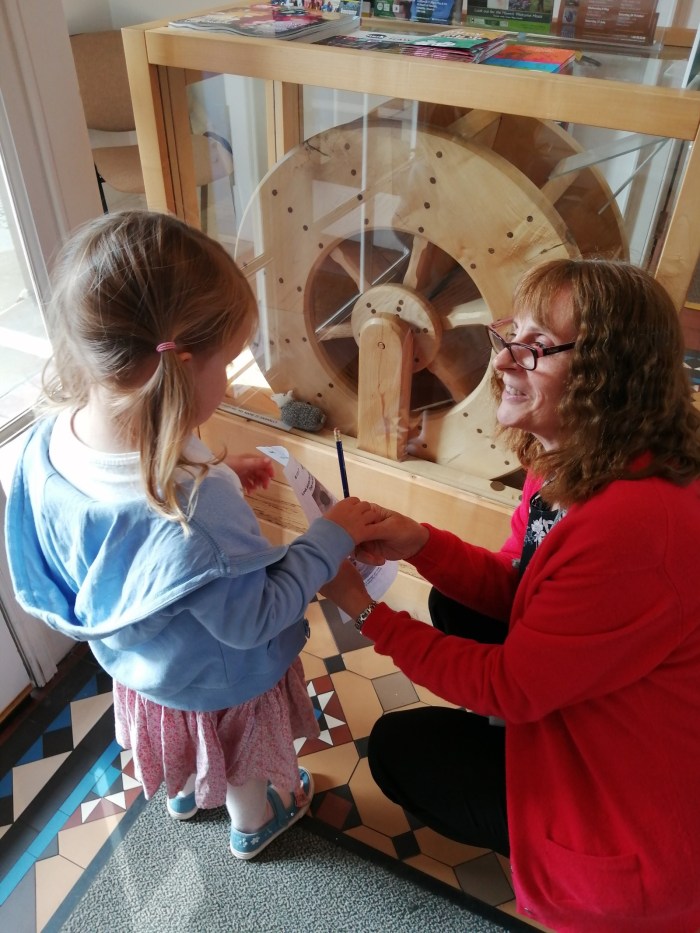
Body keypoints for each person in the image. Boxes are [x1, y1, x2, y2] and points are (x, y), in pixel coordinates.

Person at [321, 258, 700, 932]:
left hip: (637, 825)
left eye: (533, 349)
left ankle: (561, 854)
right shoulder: (576, 457)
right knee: (452, 605)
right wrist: (420, 541)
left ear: (610, 371)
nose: (502, 363)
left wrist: (366, 611)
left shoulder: (632, 528)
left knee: (396, 751)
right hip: (614, 703)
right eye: (508, 339)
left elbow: (509, 687)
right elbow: (520, 583)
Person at [5, 210, 381, 861]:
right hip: (220, 676)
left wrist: (212, 465)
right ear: (174, 371)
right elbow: (252, 617)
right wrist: (327, 537)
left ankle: (180, 790)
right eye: (228, 364)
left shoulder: (50, 444)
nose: (232, 380)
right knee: (238, 759)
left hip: (144, 669)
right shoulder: (197, 505)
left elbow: (126, 533)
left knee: (184, 732)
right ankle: (254, 821)